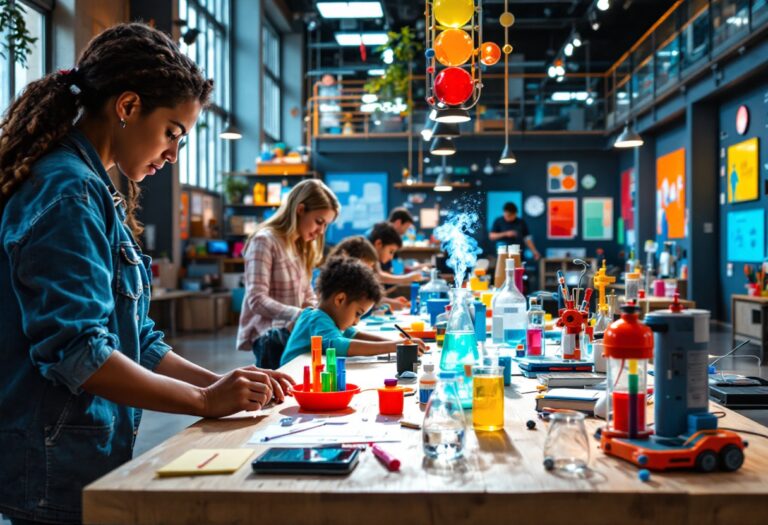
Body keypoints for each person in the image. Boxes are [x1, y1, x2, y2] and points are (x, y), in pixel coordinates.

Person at [0, 24, 293, 525]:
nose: (174, 155)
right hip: (52, 466)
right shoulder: (69, 192)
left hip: (79, 457)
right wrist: (203, 399)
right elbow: (79, 353)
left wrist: (224, 383)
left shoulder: (91, 187)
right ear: (129, 106)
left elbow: (138, 339)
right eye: (172, 133)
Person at [237, 178, 340, 369]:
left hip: (292, 334)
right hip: (271, 338)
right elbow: (257, 300)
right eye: (319, 221)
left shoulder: (300, 246)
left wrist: (324, 316)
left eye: (326, 225)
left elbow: (307, 295)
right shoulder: (264, 241)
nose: (321, 231)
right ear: (300, 210)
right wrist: (301, 315)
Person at [280, 257, 426, 366]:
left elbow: (356, 335)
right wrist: (394, 346)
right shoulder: (317, 318)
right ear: (340, 299)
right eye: (358, 313)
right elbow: (338, 345)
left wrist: (401, 343)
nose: (357, 321)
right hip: (293, 379)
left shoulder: (331, 321)